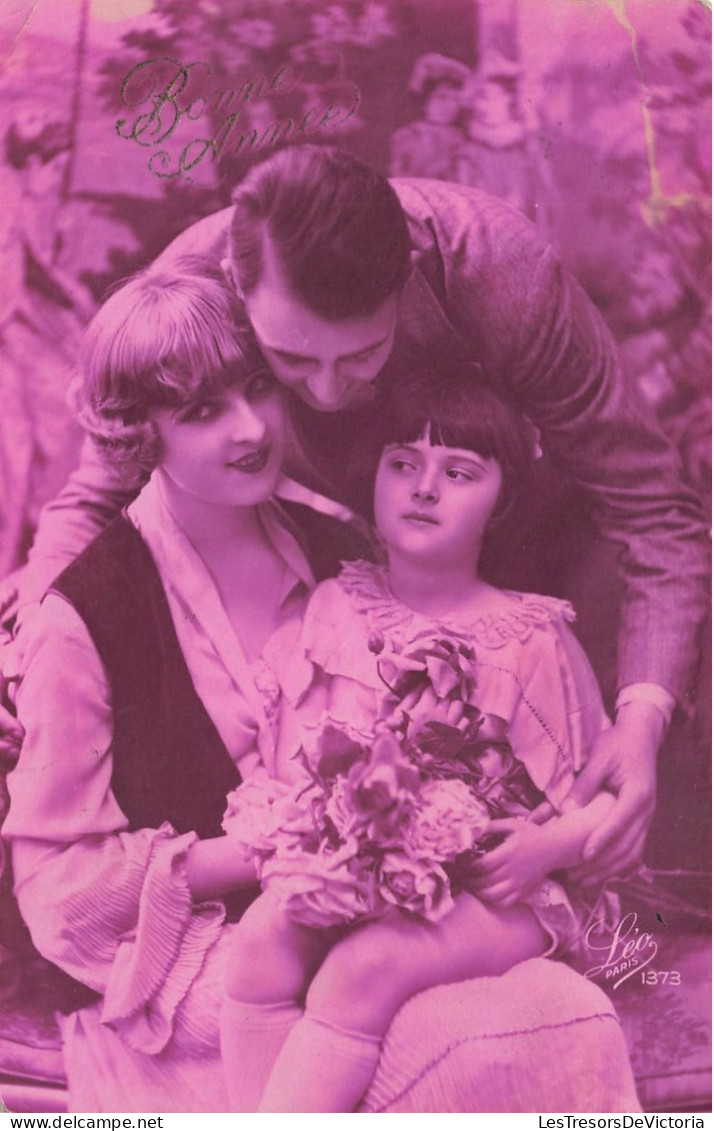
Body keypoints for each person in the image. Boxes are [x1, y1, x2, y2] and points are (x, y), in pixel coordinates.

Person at [2, 144, 709, 890]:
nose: (330, 391)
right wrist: (26, 649)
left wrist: (643, 716)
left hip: (549, 544)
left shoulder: (505, 274)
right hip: (373, 597)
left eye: (364, 353)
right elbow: (99, 488)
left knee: (643, 844)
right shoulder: (194, 280)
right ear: (238, 286)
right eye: (291, 361)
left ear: (404, 279)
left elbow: (654, 509)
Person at [2, 265, 365, 1112]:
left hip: (358, 922)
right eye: (202, 411)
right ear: (140, 435)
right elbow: (56, 886)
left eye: (255, 388)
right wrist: (260, 857)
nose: (249, 428)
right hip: (198, 957)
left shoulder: (338, 548)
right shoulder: (82, 616)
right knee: (361, 1026)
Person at [218, 371, 622, 1113]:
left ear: (502, 498)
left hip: (503, 893)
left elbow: (611, 804)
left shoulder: (530, 636)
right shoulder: (338, 608)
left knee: (361, 969)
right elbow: (295, 771)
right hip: (368, 877)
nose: (424, 487)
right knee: (260, 941)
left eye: (459, 472)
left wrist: (547, 847)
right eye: (402, 464)